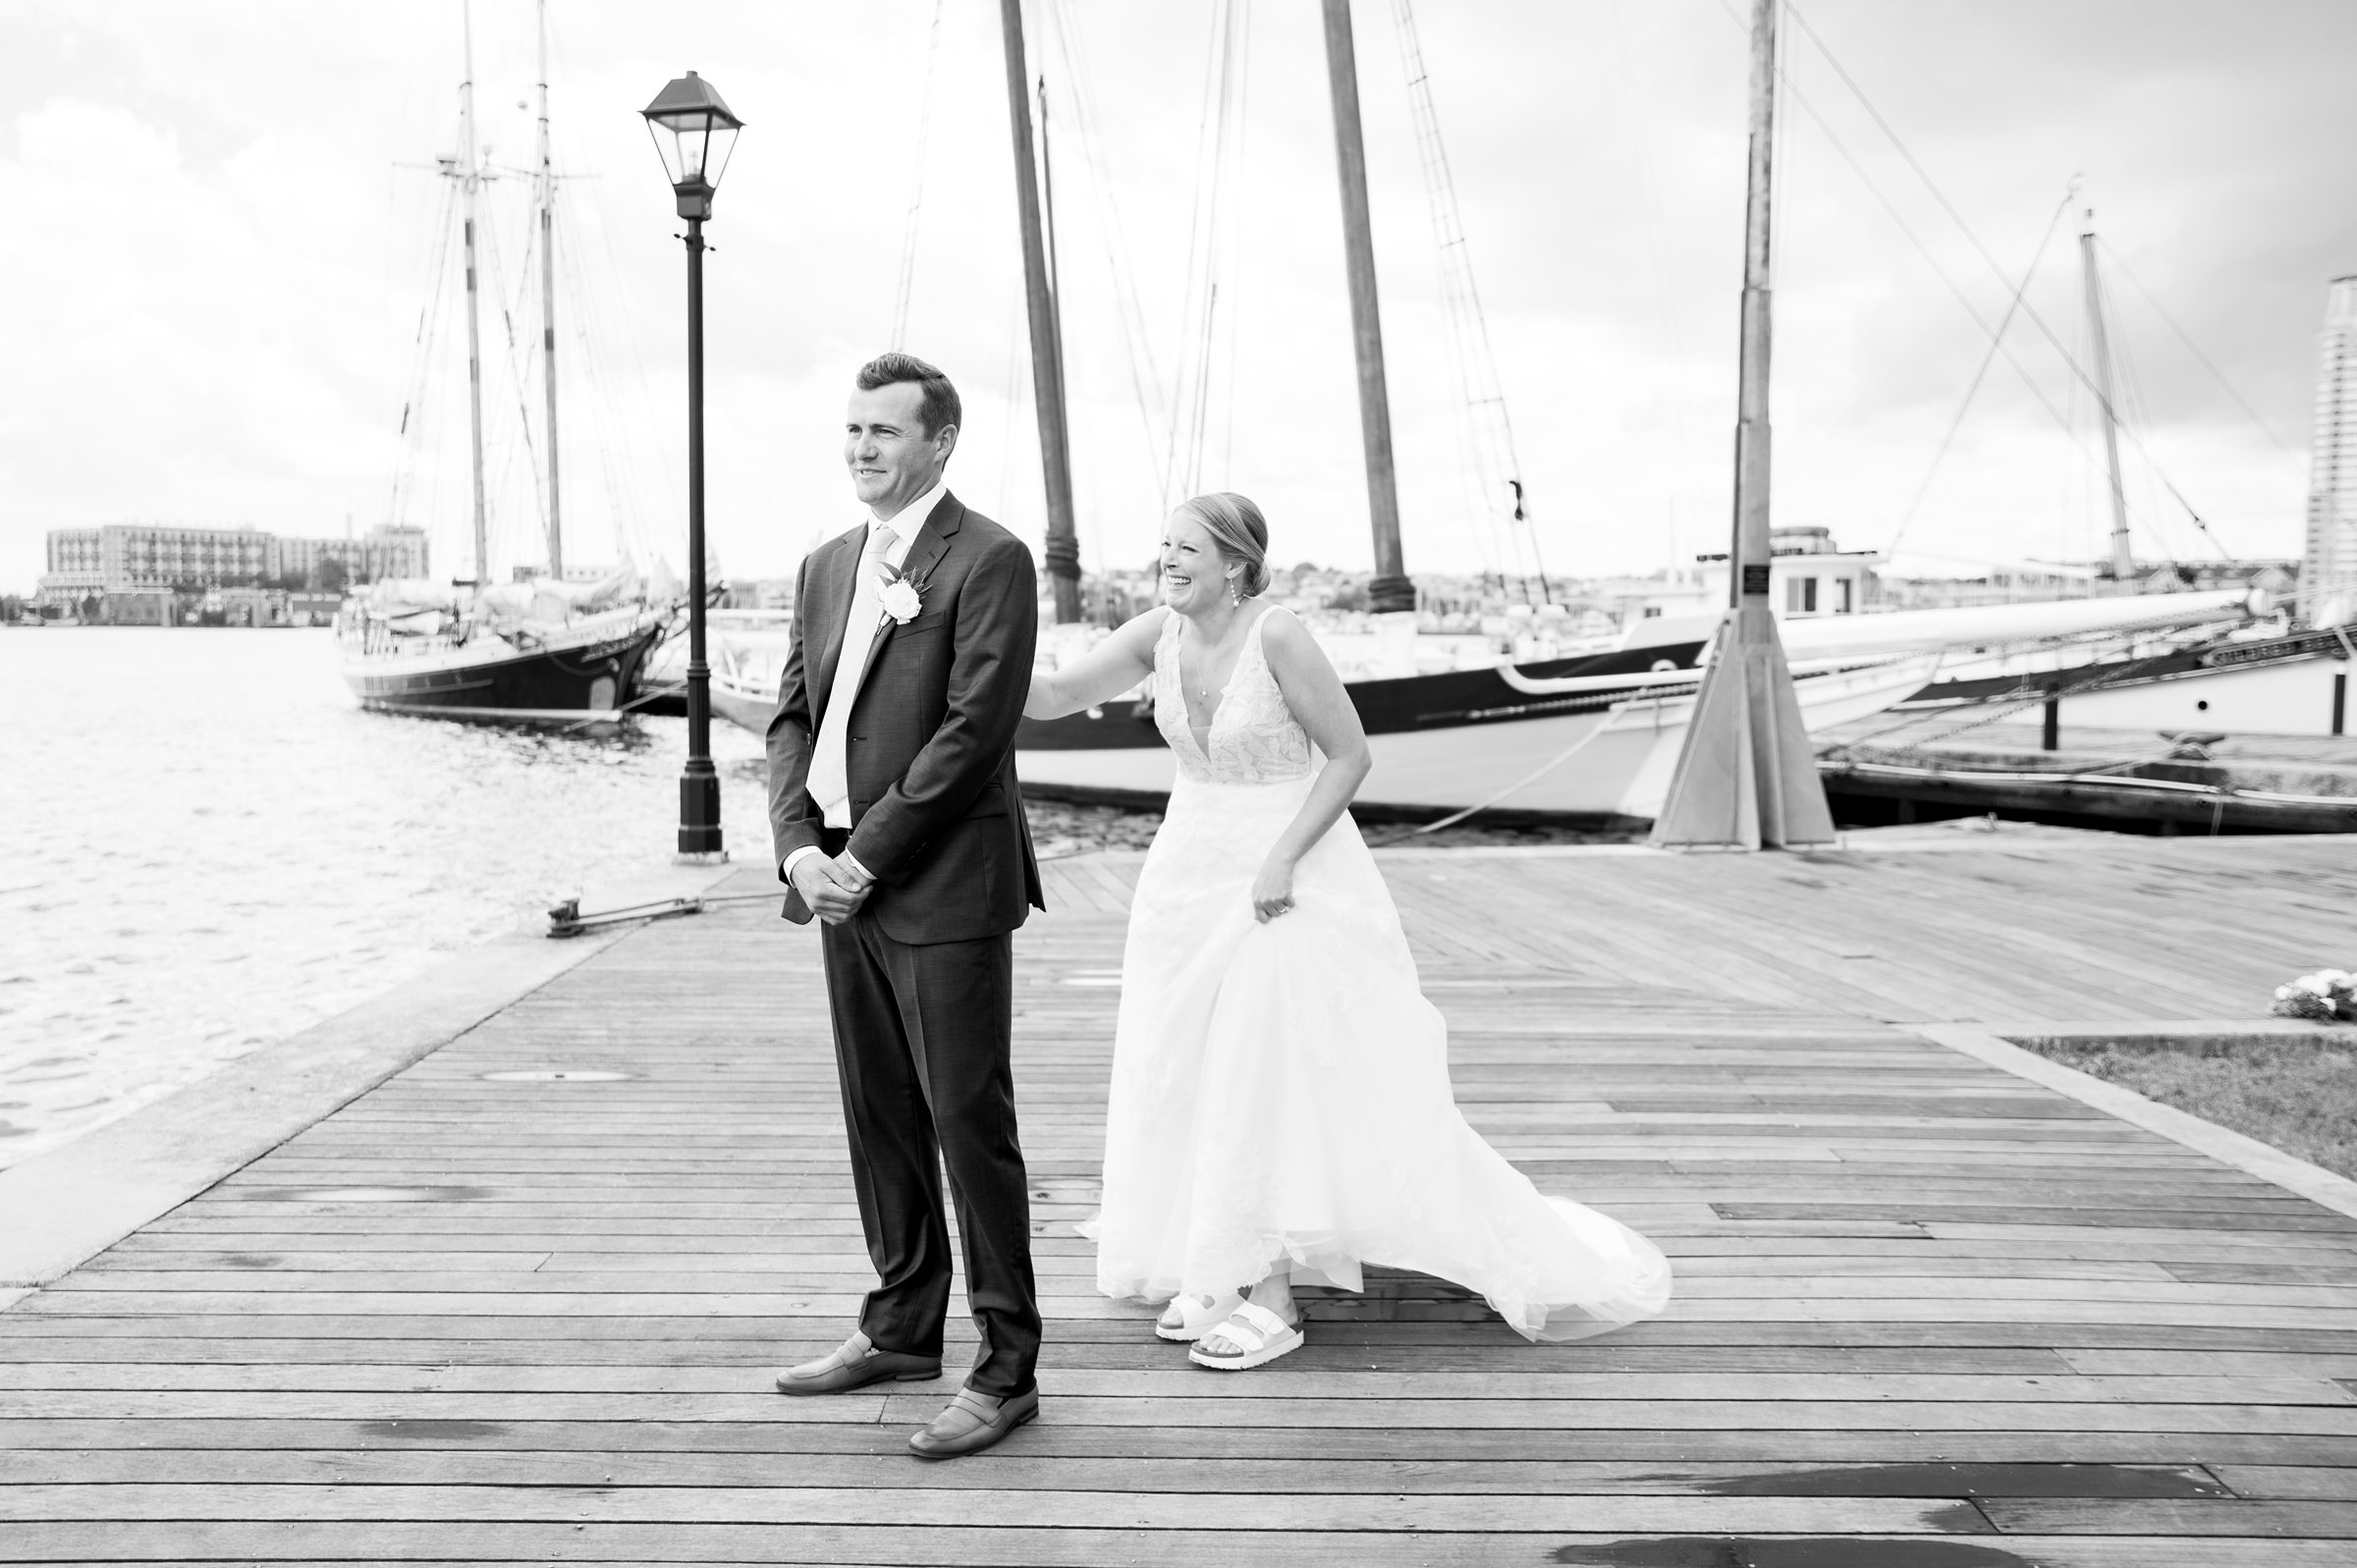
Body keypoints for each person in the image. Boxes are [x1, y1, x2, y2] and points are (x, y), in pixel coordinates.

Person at [1026, 492, 1672, 1369]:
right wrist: (962, 653)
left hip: (1282, 875)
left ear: (1237, 565)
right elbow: (1060, 692)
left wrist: (1284, 858)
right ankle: (1215, 1257)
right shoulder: (1157, 633)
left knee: (1271, 1068)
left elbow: (1351, 754)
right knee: (1183, 1061)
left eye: (1186, 550)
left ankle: (1274, 1296)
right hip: (1185, 874)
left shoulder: (1279, 634)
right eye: (1163, 548)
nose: (1167, 563)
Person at [766, 353, 1046, 1457]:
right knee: (878, 1112)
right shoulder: (826, 563)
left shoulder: (991, 559)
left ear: (939, 442)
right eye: (851, 429)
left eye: (884, 430)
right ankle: (901, 1324)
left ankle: (1008, 1366)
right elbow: (791, 718)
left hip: (939, 884)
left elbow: (974, 732)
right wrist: (799, 852)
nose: (862, 448)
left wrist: (867, 855)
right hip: (835, 884)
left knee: (968, 1124)